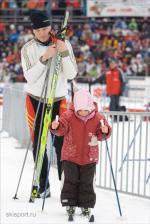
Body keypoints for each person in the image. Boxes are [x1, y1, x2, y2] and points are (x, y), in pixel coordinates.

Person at [21, 10, 78, 198]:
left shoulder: (65, 44)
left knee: (61, 145)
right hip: (35, 100)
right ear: (33, 31)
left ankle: (66, 186)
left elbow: (71, 75)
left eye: (45, 28)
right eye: (38, 30)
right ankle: (42, 184)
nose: (42, 33)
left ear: (51, 27)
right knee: (39, 144)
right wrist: (44, 58)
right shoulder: (27, 49)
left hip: (58, 100)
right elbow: (29, 77)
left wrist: (63, 53)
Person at [51, 89, 111, 217]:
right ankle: (69, 203)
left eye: (85, 110)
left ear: (90, 107)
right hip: (70, 155)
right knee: (70, 180)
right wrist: (56, 127)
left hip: (90, 157)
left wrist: (105, 130)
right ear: (75, 107)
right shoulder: (68, 116)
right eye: (80, 110)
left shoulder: (98, 118)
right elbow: (61, 130)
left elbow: (102, 135)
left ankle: (86, 205)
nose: (82, 113)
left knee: (87, 182)